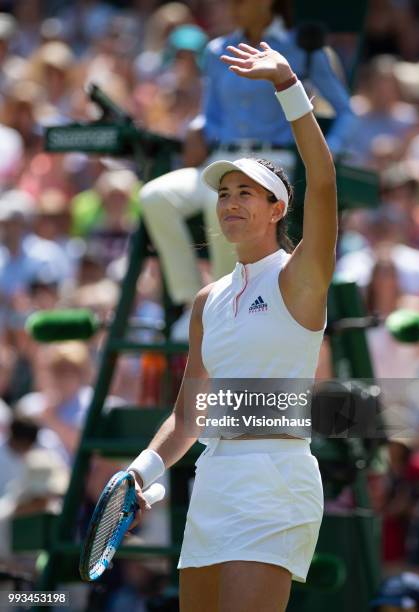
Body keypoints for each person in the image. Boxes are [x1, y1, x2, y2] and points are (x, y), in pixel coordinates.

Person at [127, 40, 336, 611]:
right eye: (223, 193)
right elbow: (189, 412)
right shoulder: (206, 301)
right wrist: (143, 469)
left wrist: (288, 87)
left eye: (247, 192)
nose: (231, 202)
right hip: (212, 482)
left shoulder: (300, 277)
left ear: (277, 210)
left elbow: (323, 183)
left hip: (276, 481)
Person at [140, 0, 350, 338]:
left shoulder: (302, 49)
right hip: (220, 159)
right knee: (155, 196)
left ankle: (227, 305)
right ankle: (192, 304)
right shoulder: (215, 49)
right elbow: (211, 115)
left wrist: (323, 155)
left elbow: (345, 112)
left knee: (220, 201)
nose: (231, 5)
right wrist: (197, 128)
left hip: (273, 163)